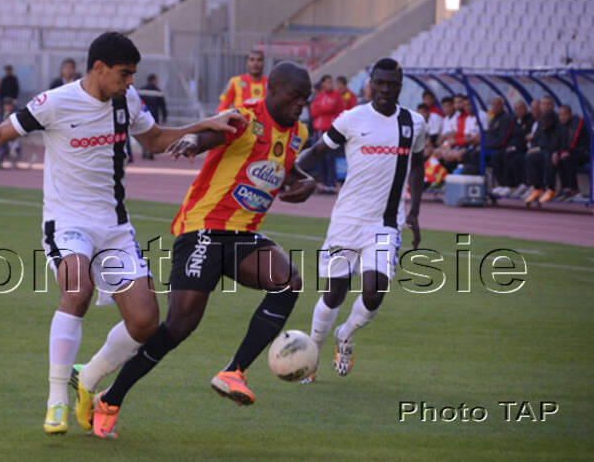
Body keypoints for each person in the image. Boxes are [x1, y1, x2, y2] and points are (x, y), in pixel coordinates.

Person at [0, 32, 245, 435]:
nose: (130, 82)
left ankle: (87, 378)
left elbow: (156, 139)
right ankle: (56, 399)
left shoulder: (128, 100)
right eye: (124, 74)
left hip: (114, 227)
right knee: (78, 289)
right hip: (67, 222)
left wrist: (204, 124)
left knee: (145, 322)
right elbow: (0, 133)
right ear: (99, 68)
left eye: (133, 74)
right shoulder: (55, 102)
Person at [80, 62, 315, 439]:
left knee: (287, 282)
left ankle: (234, 371)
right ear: (273, 89)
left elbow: (280, 164)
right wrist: (192, 142)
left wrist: (306, 181)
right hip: (203, 228)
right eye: (294, 96)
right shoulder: (245, 117)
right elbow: (208, 138)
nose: (300, 104)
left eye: (306, 98)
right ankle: (110, 399)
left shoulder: (298, 133)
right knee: (179, 326)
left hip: (242, 235)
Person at [296, 58, 426, 383]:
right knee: (334, 293)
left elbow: (418, 164)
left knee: (374, 293)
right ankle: (311, 356)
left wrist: (414, 211)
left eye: (391, 84)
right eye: (379, 83)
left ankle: (345, 333)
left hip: (385, 223)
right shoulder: (352, 118)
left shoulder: (414, 123)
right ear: (370, 84)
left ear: (400, 86)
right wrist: (286, 173)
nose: (385, 89)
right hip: (347, 221)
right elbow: (318, 151)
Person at [309, 75, 344, 193]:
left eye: (331, 82)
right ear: (323, 84)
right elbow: (313, 112)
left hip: (330, 131)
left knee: (330, 158)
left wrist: (322, 108)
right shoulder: (319, 96)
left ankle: (331, 184)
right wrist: (324, 108)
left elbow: (333, 108)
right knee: (320, 158)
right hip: (319, 131)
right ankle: (323, 183)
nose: (331, 84)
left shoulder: (336, 95)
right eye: (328, 82)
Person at [524, 109, 563, 205]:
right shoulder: (541, 126)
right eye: (544, 119)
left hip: (557, 153)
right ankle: (537, 188)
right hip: (545, 151)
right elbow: (537, 141)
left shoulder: (559, 128)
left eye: (547, 120)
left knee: (549, 157)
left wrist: (556, 152)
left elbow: (556, 144)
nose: (545, 122)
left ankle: (551, 189)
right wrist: (538, 148)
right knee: (530, 157)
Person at [483, 97, 517, 195]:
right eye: (493, 105)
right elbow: (490, 135)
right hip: (489, 146)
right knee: (470, 154)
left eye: (497, 105)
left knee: (498, 156)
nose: (494, 107)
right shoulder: (493, 119)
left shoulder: (506, 118)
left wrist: (488, 146)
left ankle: (504, 184)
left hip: (501, 147)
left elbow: (503, 139)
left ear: (502, 106)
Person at [556, 105, 590, 202]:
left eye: (564, 114)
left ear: (570, 114)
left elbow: (573, 139)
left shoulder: (577, 122)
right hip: (573, 152)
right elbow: (560, 142)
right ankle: (566, 189)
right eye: (560, 115)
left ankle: (575, 190)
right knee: (559, 160)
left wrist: (566, 152)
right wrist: (558, 153)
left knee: (567, 159)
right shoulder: (562, 126)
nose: (562, 117)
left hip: (585, 152)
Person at [138, 73, 168, 159]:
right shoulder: (158, 91)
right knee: (152, 135)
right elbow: (162, 105)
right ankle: (150, 152)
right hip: (154, 116)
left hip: (143, 115)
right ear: (153, 80)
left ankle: (145, 151)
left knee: (144, 134)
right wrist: (164, 116)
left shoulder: (142, 90)